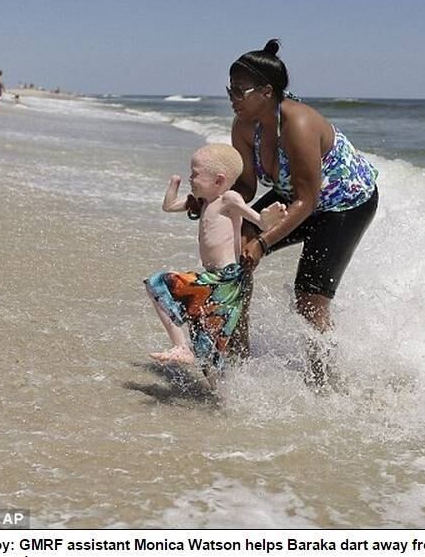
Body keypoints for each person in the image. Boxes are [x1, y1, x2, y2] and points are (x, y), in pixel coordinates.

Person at [227, 39, 379, 387]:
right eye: (229, 89)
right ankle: (238, 352)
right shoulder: (244, 125)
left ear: (266, 92)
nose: (232, 97)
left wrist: (263, 243)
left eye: (239, 90)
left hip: (344, 205)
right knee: (234, 250)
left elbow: (307, 202)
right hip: (291, 196)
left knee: (309, 300)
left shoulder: (298, 125)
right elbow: (248, 187)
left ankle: (323, 379)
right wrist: (214, 202)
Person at [144, 143, 286, 388]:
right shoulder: (203, 202)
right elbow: (168, 207)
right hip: (215, 278)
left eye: (195, 174)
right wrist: (175, 183)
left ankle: (180, 346)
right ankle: (224, 399)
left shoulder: (229, 199)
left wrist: (268, 218)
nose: (191, 178)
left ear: (219, 180)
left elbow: (258, 221)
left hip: (226, 279)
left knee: (157, 283)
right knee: (206, 346)